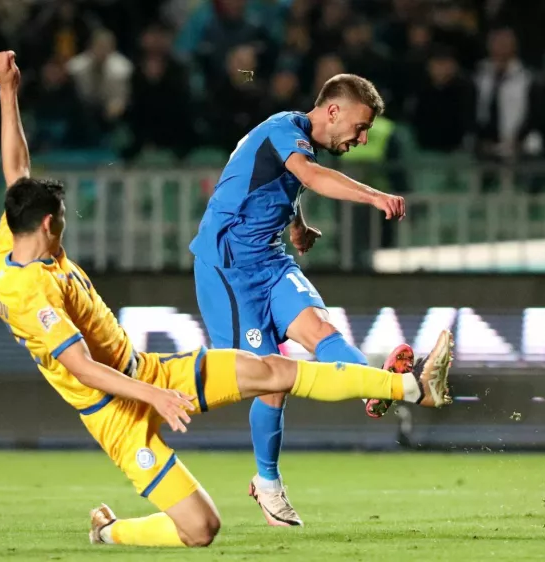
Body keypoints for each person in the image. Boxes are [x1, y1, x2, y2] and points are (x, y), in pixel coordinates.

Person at [0, 50, 455, 548]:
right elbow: (82, 369)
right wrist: (156, 398)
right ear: (49, 224)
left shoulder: (15, 233)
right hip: (125, 395)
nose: (360, 139)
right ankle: (115, 529)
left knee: (290, 358)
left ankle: (396, 388)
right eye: (62, 216)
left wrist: (7, 91)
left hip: (156, 362)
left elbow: (17, 169)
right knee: (205, 520)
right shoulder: (29, 291)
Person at [188, 73, 445, 526]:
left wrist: (296, 225)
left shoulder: (297, 141)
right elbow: (306, 173)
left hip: (270, 260)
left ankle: (373, 387)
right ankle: (266, 482)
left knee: (321, 331)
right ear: (332, 112)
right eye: (360, 127)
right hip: (228, 269)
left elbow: (282, 183)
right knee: (271, 383)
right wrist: (374, 195)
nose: (362, 139)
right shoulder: (282, 129)